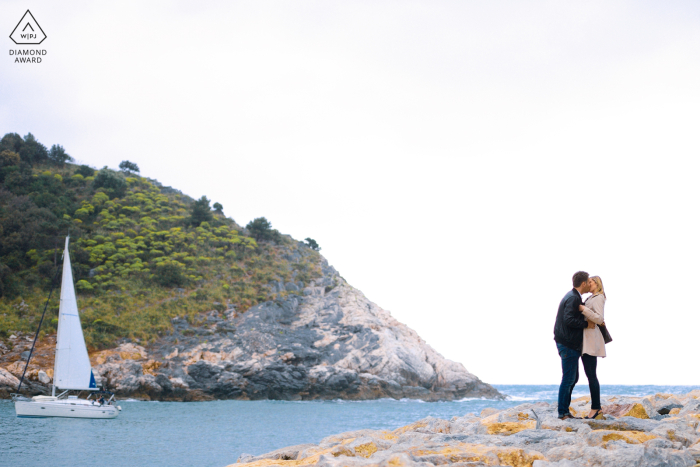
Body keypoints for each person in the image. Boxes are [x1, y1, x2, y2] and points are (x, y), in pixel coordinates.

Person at [553, 271, 591, 420]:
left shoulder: (573, 296)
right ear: (583, 283)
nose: (589, 284)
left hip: (567, 343)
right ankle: (562, 413)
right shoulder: (573, 298)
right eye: (588, 282)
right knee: (569, 378)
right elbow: (568, 319)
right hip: (567, 343)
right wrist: (586, 324)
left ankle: (565, 411)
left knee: (572, 378)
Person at [578, 275, 607, 419]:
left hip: (591, 340)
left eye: (590, 282)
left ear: (596, 283)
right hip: (586, 340)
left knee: (591, 375)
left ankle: (596, 408)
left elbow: (599, 319)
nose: (588, 284)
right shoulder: (591, 298)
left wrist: (583, 309)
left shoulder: (599, 298)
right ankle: (596, 407)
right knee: (590, 374)